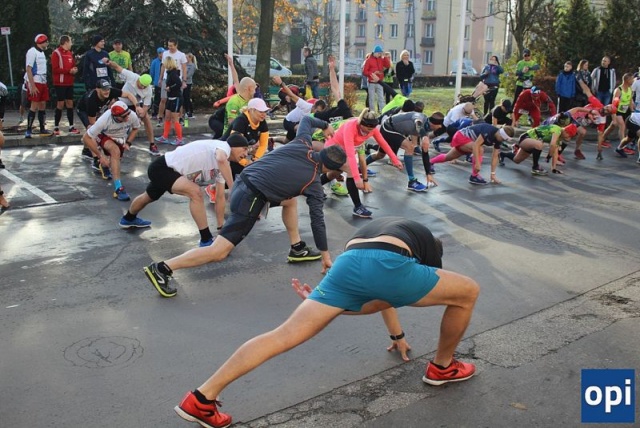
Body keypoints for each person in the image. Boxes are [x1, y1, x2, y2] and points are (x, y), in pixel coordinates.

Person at [173, 216, 480, 428]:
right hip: (387, 261)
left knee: (282, 335)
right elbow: (392, 291)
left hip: (348, 261)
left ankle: (201, 397)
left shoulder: (393, 227)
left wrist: (335, 308)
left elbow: (380, 295)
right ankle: (443, 367)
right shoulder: (427, 247)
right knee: (467, 292)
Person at [142, 115, 342, 298]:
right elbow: (317, 221)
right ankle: (163, 268)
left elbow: (306, 119)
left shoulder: (303, 143)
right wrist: (325, 256)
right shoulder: (313, 183)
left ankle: (297, 248)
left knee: (290, 201)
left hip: (242, 183)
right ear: (332, 169)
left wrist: (325, 125)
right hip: (251, 198)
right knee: (218, 252)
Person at [119, 134, 250, 244]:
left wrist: (221, 227)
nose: (246, 154)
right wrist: (233, 187)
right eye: (244, 149)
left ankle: (128, 219)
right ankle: (206, 239)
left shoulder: (224, 166)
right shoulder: (224, 147)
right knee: (195, 193)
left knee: (148, 196)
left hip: (173, 172)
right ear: (234, 146)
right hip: (163, 168)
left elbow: (220, 197)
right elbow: (221, 158)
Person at [324, 109, 403, 218]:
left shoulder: (372, 129)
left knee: (334, 174)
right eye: (367, 129)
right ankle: (358, 207)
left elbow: (383, 143)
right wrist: (357, 179)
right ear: (361, 123)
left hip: (344, 151)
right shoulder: (350, 127)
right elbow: (351, 155)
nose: (369, 132)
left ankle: (313, 185)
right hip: (332, 148)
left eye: (372, 129)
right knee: (351, 170)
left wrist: (395, 159)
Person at [82, 101, 141, 201]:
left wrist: (128, 142)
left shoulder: (132, 115)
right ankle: (118, 188)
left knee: (114, 162)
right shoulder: (104, 119)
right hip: (103, 135)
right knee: (115, 151)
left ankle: (104, 166)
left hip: (120, 138)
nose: (127, 117)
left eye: (128, 114)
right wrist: (100, 156)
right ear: (115, 116)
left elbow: (136, 128)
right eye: (124, 116)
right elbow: (86, 138)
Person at [77, 78, 138, 167]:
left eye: (108, 89)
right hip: (83, 110)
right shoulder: (91, 101)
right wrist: (100, 151)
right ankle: (96, 159)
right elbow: (93, 124)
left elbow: (128, 94)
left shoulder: (111, 91)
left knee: (97, 129)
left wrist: (137, 106)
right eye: (104, 89)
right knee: (91, 130)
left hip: (100, 108)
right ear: (97, 90)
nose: (107, 91)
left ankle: (86, 149)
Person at [105, 60, 160, 156]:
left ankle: (152, 144)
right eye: (141, 85)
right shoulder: (132, 76)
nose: (142, 87)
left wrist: (141, 114)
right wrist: (110, 62)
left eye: (144, 86)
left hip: (135, 105)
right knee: (111, 110)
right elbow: (118, 67)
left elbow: (146, 106)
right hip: (122, 101)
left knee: (146, 118)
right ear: (138, 79)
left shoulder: (148, 90)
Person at [431, 124, 514, 185]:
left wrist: (493, 174)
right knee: (480, 149)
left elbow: (495, 156)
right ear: (500, 133)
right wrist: (477, 163)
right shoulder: (489, 131)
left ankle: (430, 162)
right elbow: (476, 145)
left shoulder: (498, 139)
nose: (502, 141)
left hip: (467, 141)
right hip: (460, 136)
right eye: (502, 138)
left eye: (504, 140)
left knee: (448, 157)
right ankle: (474, 176)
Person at [499, 123, 577, 175]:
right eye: (569, 136)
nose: (568, 139)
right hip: (526, 138)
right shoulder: (557, 130)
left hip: (532, 143)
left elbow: (555, 152)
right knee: (540, 144)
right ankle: (535, 167)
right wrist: (548, 156)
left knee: (517, 160)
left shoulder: (559, 138)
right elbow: (552, 145)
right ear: (566, 131)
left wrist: (553, 168)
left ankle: (502, 154)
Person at [24, 34, 52, 139]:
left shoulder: (42, 52)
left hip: (43, 81)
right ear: (41, 42)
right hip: (36, 81)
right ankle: (28, 129)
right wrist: (32, 85)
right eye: (46, 41)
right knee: (34, 105)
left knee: (42, 104)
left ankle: (42, 128)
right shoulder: (32, 52)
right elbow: (28, 69)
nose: (47, 43)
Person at [51, 35, 80, 136]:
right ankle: (56, 127)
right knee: (60, 103)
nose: (71, 44)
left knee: (70, 103)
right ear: (66, 42)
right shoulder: (56, 53)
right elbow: (55, 69)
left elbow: (72, 65)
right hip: (60, 83)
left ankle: (71, 126)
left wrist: (74, 69)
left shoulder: (69, 53)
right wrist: (68, 71)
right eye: (70, 41)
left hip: (69, 82)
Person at [157, 38, 188, 126]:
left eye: (171, 46)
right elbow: (163, 66)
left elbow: (184, 68)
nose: (169, 47)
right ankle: (160, 117)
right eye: (168, 45)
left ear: (176, 45)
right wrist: (160, 78)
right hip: (166, 78)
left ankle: (180, 117)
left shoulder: (181, 55)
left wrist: (184, 80)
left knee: (178, 98)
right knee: (163, 98)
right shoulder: (165, 53)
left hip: (177, 78)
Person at [155, 57, 185, 145]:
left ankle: (180, 138)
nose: (163, 65)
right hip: (170, 98)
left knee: (175, 119)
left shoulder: (173, 74)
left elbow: (179, 83)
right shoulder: (169, 73)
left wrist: (170, 88)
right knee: (167, 117)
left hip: (176, 98)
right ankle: (164, 136)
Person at [603, 72, 634, 150]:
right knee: (622, 126)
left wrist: (633, 111)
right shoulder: (618, 90)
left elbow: (630, 100)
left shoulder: (630, 89)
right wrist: (614, 117)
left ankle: (602, 139)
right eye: (632, 79)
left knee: (612, 126)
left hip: (625, 111)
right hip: (617, 111)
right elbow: (614, 104)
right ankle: (622, 146)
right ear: (627, 80)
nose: (633, 81)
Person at [363, 45, 390, 113]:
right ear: (374, 52)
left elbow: (388, 65)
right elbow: (365, 72)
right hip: (371, 82)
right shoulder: (368, 60)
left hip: (379, 81)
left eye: (380, 53)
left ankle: (382, 111)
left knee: (381, 97)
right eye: (378, 53)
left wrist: (385, 57)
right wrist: (373, 73)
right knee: (371, 98)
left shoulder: (381, 59)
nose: (379, 55)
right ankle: (372, 112)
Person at [150, 47, 164, 120]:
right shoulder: (155, 62)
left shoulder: (166, 61)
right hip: (157, 83)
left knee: (164, 99)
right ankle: (155, 113)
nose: (161, 55)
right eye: (159, 53)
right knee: (157, 99)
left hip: (165, 83)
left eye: (162, 53)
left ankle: (163, 113)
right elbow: (152, 72)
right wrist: (151, 81)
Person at [184, 53, 197, 119]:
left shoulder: (192, 66)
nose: (185, 59)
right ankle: (186, 111)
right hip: (183, 82)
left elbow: (189, 75)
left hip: (188, 83)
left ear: (190, 58)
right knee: (184, 97)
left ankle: (190, 111)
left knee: (187, 97)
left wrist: (183, 77)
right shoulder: (185, 64)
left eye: (186, 58)